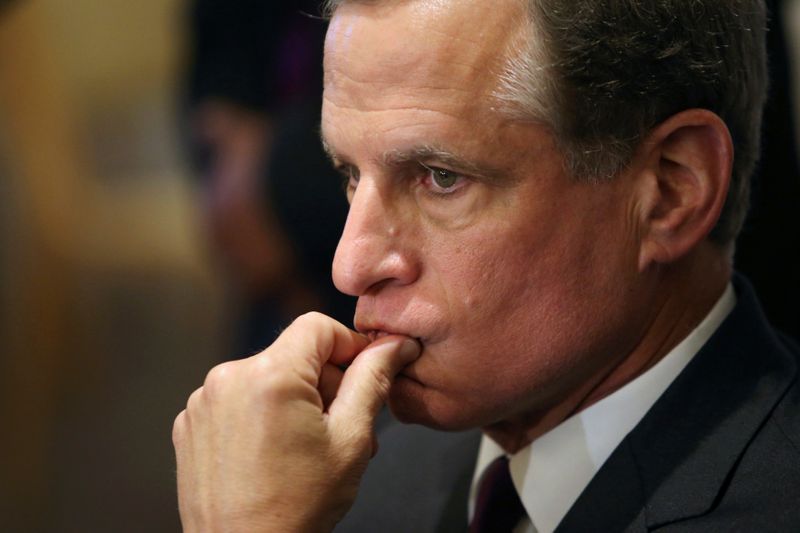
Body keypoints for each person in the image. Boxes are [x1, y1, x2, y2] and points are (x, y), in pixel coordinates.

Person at [172, 0, 800, 531]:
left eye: (441, 178)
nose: (349, 266)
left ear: (670, 191)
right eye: (347, 174)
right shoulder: (349, 483)